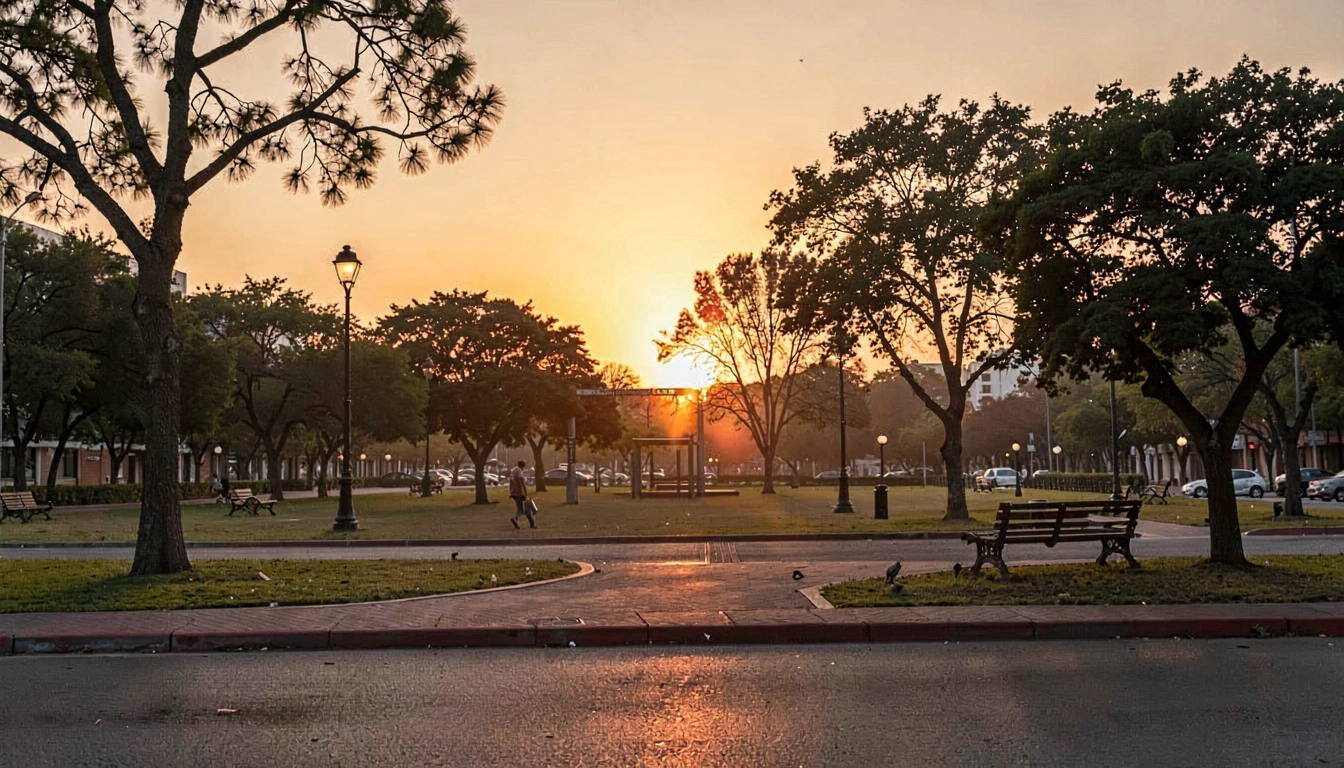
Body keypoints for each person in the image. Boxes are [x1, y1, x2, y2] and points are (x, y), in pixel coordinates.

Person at [509, 460, 534, 528]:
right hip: (519, 493)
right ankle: (515, 518)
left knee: (519, 508)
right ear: (522, 466)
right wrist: (524, 493)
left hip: (514, 493)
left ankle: (516, 518)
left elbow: (511, 484)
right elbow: (522, 485)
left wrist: (511, 492)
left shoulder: (513, 472)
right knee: (520, 510)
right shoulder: (519, 473)